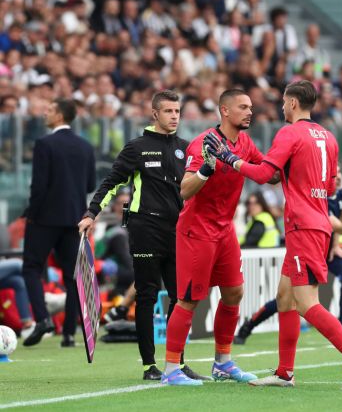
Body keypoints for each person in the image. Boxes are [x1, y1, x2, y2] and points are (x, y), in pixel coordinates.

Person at [206, 80, 342, 390]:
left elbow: (261, 175)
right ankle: (285, 373)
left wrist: (230, 159)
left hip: (302, 225)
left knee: (306, 303)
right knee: (285, 298)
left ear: (294, 103)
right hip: (318, 222)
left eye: (284, 102)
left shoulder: (289, 132)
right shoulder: (328, 136)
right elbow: (327, 188)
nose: (282, 107)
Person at [78, 90, 205, 382]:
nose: (175, 116)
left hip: (178, 231)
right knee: (147, 295)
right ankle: (150, 366)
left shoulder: (186, 148)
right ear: (155, 114)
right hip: (145, 228)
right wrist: (91, 213)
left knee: (180, 297)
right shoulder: (137, 148)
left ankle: (177, 363)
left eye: (178, 111)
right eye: (169, 111)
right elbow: (111, 182)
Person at [160, 89, 268, 386]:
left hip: (225, 230)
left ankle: (222, 363)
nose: (249, 112)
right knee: (189, 300)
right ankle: (170, 370)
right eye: (243, 107)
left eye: (250, 107)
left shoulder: (244, 142)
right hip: (198, 230)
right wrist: (207, 168)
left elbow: (265, 172)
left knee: (234, 293)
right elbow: (184, 190)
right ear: (224, 110)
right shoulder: (203, 144)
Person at [235, 168, 342, 344]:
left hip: (326, 251)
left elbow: (337, 222)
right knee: (287, 298)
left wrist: (335, 244)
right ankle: (249, 325)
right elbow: (335, 224)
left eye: (340, 172)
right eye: (335, 172)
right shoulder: (318, 196)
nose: (338, 176)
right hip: (308, 251)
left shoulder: (339, 195)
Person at [21, 98, 96, 348]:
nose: (45, 113)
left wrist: (31, 212)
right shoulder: (85, 146)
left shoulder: (44, 143)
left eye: (51, 110)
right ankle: (69, 334)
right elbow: (89, 185)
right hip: (74, 217)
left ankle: (42, 319)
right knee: (72, 276)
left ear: (61, 115)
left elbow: (39, 185)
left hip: (45, 218)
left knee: (31, 267)